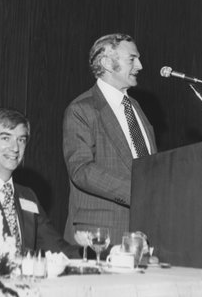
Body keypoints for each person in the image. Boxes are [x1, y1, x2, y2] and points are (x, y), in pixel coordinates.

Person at [63, 33, 157, 245]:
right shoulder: (81, 109)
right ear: (106, 62)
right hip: (101, 234)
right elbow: (81, 170)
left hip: (143, 230)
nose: (140, 65)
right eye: (132, 59)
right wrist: (139, 191)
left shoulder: (136, 108)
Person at [0, 108, 80, 257]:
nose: (15, 148)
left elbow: (58, 249)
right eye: (6, 138)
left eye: (21, 140)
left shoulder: (27, 196)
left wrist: (101, 252)